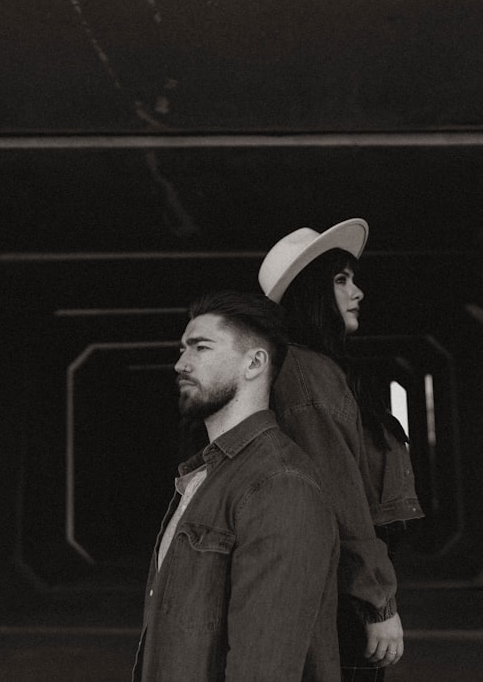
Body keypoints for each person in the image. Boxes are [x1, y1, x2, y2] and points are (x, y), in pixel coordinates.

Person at [133, 290, 340, 682]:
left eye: (200, 347)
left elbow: (265, 666)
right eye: (182, 349)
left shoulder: (279, 485)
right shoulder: (206, 476)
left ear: (254, 363)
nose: (180, 364)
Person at [258, 219, 424, 681]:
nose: (358, 292)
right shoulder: (303, 374)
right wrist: (377, 602)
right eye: (341, 280)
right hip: (334, 595)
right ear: (311, 292)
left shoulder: (316, 369)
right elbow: (338, 496)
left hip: (328, 586)